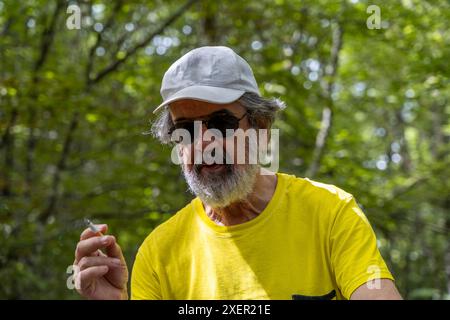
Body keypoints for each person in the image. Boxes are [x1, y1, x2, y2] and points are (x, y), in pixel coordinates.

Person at [73, 46, 402, 300]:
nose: (203, 142)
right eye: (186, 128)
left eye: (220, 123)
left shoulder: (331, 213)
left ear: (260, 127)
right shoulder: (159, 253)